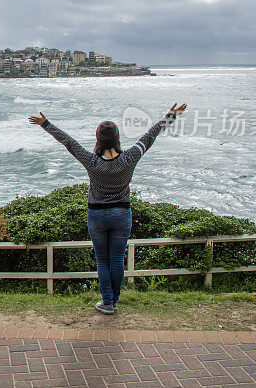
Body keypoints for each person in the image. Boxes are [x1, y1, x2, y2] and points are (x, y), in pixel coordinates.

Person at [29, 103, 187, 314]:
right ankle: (114, 300)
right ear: (117, 138)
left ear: (98, 140)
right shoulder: (130, 158)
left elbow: (69, 142)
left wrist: (45, 124)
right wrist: (170, 117)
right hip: (122, 213)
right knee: (117, 260)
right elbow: (150, 136)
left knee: (102, 260)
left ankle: (107, 302)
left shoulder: (91, 161)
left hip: (96, 214)